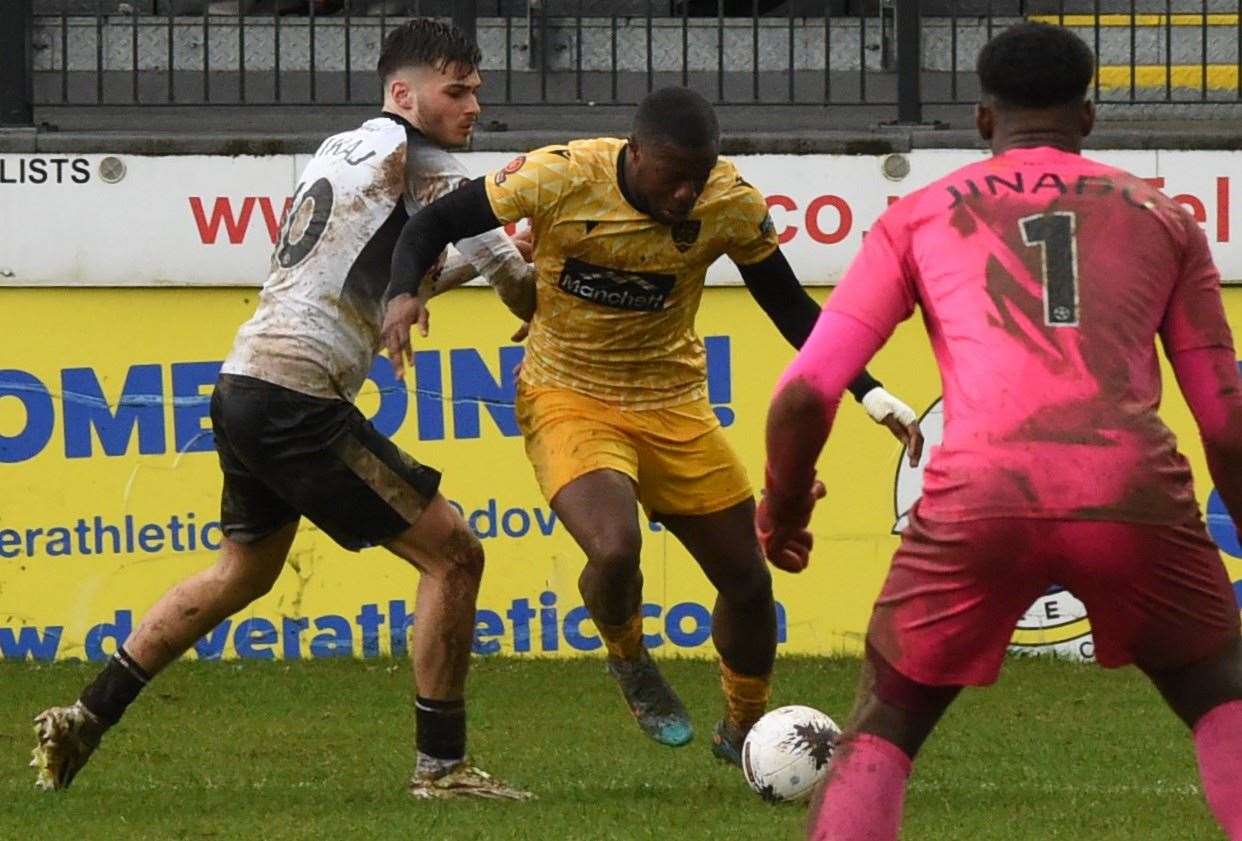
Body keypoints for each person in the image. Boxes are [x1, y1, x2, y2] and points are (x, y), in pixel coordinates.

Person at [758, 22, 1242, 840]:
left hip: (978, 493)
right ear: (1087, 119)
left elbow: (807, 391)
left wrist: (786, 506)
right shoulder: (1164, 217)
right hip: (1129, 489)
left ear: (984, 121)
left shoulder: (916, 218)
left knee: (884, 718)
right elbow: (1225, 416)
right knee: (1222, 693)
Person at [31, 19, 535, 801]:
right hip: (299, 397)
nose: (474, 106)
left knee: (244, 571)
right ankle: (442, 768)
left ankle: (87, 714)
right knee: (455, 553)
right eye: (457, 90)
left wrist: (480, 263)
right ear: (404, 94)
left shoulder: (344, 148)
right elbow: (515, 282)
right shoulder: (426, 161)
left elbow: (376, 288)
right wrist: (552, 270)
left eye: (476, 90)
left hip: (245, 383)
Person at [378, 86, 924, 765]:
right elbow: (434, 222)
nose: (686, 195)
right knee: (613, 547)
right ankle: (630, 656)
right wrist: (403, 291)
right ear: (635, 153)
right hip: (567, 392)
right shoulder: (561, 174)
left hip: (673, 402)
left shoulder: (730, 202)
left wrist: (869, 393)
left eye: (699, 178)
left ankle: (744, 728)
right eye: (673, 177)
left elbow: (790, 309)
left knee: (749, 585)